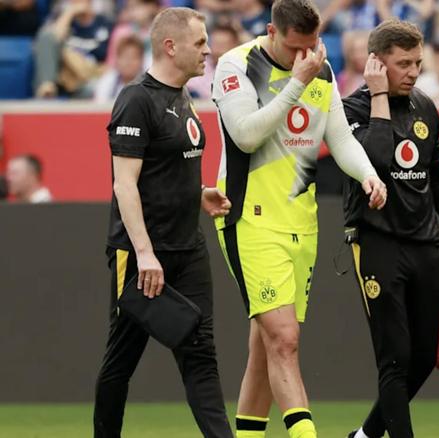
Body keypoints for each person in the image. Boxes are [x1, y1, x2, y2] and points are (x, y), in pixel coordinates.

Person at [211, 0, 387, 437]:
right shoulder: (237, 65)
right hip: (249, 219)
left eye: (311, 46)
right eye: (294, 48)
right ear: (271, 32)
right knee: (285, 339)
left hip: (302, 223)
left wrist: (368, 174)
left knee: (266, 346)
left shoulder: (320, 71)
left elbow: (339, 138)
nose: (304, 56)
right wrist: (295, 84)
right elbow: (245, 136)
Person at [341, 19, 439, 438]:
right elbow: (376, 162)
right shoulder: (350, 111)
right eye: (403, 63)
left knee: (424, 357)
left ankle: (364, 436)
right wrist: (379, 97)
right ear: (376, 63)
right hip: (377, 243)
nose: (414, 72)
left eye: (418, 63)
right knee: (394, 359)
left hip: (424, 245)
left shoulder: (425, 107)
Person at [93, 7, 233, 438]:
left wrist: (199, 191)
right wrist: (144, 254)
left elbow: (166, 167)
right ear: (171, 47)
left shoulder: (183, 95)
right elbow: (125, 185)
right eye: (200, 42)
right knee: (121, 361)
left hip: (188, 250)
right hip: (142, 258)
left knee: (201, 354)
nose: (208, 50)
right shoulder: (136, 99)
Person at [33, 0, 114, 98]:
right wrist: (70, 13)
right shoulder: (62, 19)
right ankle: (47, 86)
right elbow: (50, 40)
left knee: (93, 88)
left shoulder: (105, 23)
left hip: (90, 77)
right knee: (45, 36)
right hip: (65, 76)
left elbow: (110, 60)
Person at [94, 35, 145, 102]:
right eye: (125, 57)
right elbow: (99, 105)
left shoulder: (150, 85)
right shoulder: (107, 80)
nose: (129, 62)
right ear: (117, 60)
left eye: (134, 57)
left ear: (142, 60)